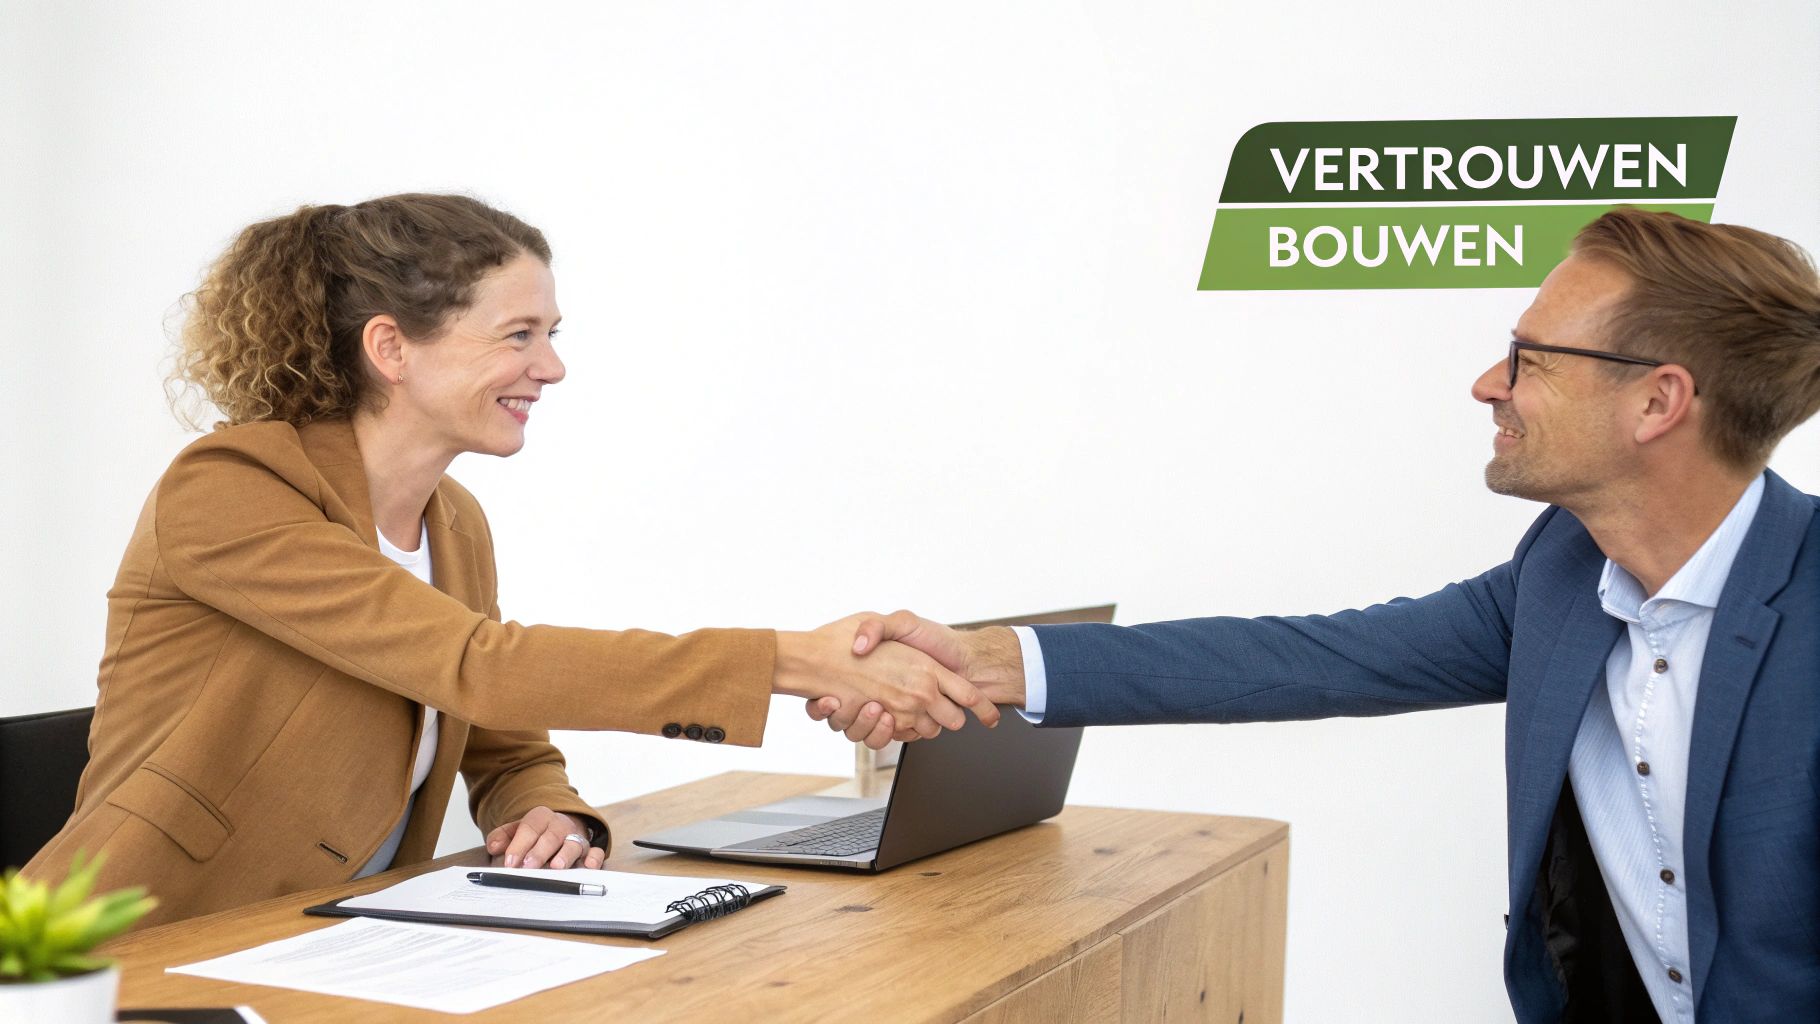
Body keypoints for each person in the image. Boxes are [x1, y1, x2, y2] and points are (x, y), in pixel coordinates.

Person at [815, 208, 1820, 1021]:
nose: (1486, 385)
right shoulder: (1560, 572)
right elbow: (1307, 656)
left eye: (1529, 359)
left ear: (1656, 404)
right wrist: (986, 662)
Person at [26, 192, 997, 929]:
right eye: (517, 335)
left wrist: (553, 814)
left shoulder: (452, 519)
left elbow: (501, 733)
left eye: (551, 335)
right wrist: (789, 659)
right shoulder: (230, 484)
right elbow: (478, 661)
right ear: (392, 348)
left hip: (341, 930)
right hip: (144, 935)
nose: (552, 366)